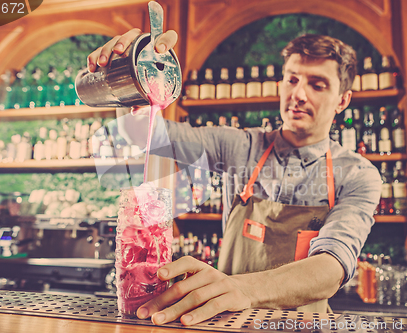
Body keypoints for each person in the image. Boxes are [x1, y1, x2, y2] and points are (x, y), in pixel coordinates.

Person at [87, 28, 381, 325]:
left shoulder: (358, 175)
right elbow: (145, 134)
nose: (299, 94)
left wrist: (242, 287)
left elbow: (332, 267)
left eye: (317, 85)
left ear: (343, 100)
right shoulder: (239, 145)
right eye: (292, 79)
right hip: (230, 325)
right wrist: (128, 75)